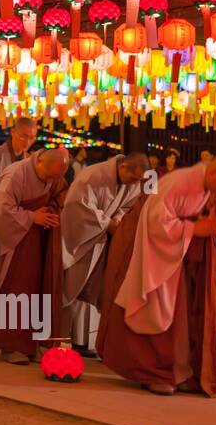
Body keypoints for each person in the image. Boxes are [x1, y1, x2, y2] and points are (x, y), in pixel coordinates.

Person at [98, 154, 216, 396]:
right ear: (214, 174)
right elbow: (157, 223)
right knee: (155, 310)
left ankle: (175, 371)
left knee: (179, 316)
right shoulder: (178, 183)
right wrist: (195, 229)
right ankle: (153, 372)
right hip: (156, 253)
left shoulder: (204, 183)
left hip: (177, 257)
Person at [0, 146, 70, 364]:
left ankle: (35, 343)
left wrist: (53, 208)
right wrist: (32, 217)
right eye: (50, 176)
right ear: (39, 162)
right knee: (18, 288)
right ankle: (12, 345)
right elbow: (1, 211)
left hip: (40, 240)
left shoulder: (54, 174)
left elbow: (61, 193)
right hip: (15, 243)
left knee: (39, 289)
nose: (52, 180)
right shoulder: (15, 174)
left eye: (56, 177)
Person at [59, 152, 150, 355]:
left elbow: (127, 206)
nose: (134, 184)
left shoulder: (132, 182)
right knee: (74, 287)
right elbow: (77, 206)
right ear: (123, 167)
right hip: (81, 240)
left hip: (102, 241)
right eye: (133, 178)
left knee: (93, 288)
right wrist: (108, 224)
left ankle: (85, 341)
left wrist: (117, 220)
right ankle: (66, 339)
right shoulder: (91, 176)